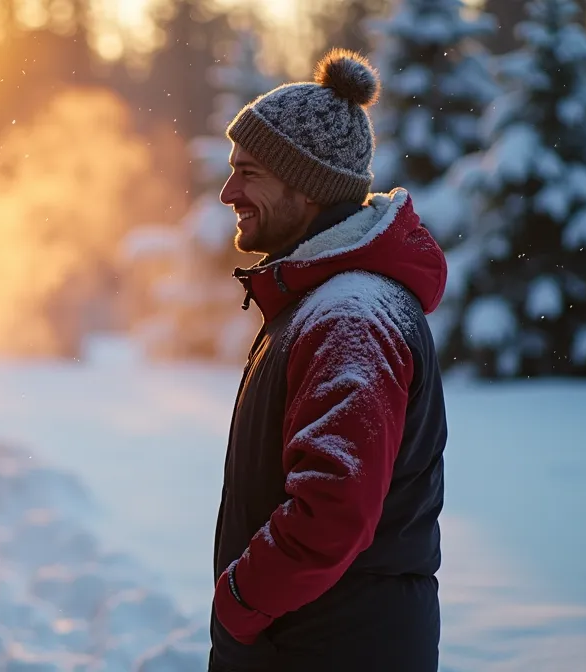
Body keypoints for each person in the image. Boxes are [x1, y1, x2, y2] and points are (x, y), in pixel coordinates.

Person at [209, 48, 449, 671]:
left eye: (249, 172)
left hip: (329, 649)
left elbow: (331, 512)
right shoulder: (324, 302)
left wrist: (240, 601)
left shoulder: (350, 318)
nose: (229, 192)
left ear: (308, 186)